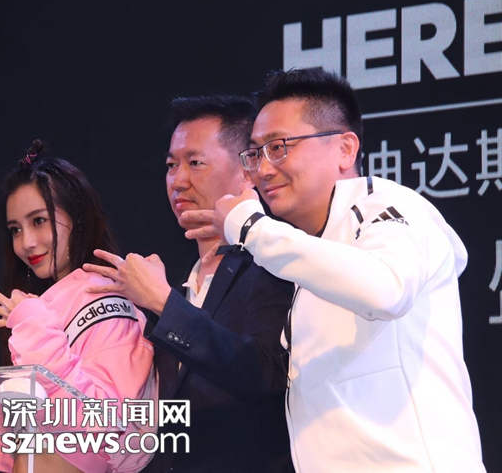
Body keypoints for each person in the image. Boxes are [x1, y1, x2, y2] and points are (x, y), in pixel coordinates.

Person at [183, 68, 485, 471]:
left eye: (279, 147)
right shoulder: (307, 251)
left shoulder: (389, 207)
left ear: (345, 148)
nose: (264, 169)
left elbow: (386, 291)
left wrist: (252, 228)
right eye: (256, 153)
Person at [83, 96, 295, 472]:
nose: (178, 181)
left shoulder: (273, 261)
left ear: (248, 171)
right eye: (171, 165)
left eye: (195, 163)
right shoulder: (183, 279)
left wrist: (164, 303)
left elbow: (263, 374)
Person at [0, 140, 157, 473]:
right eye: (15, 230)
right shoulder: (49, 303)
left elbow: (106, 424)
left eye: (39, 221)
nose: (26, 243)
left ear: (78, 217)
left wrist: (33, 325)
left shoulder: (104, 300)